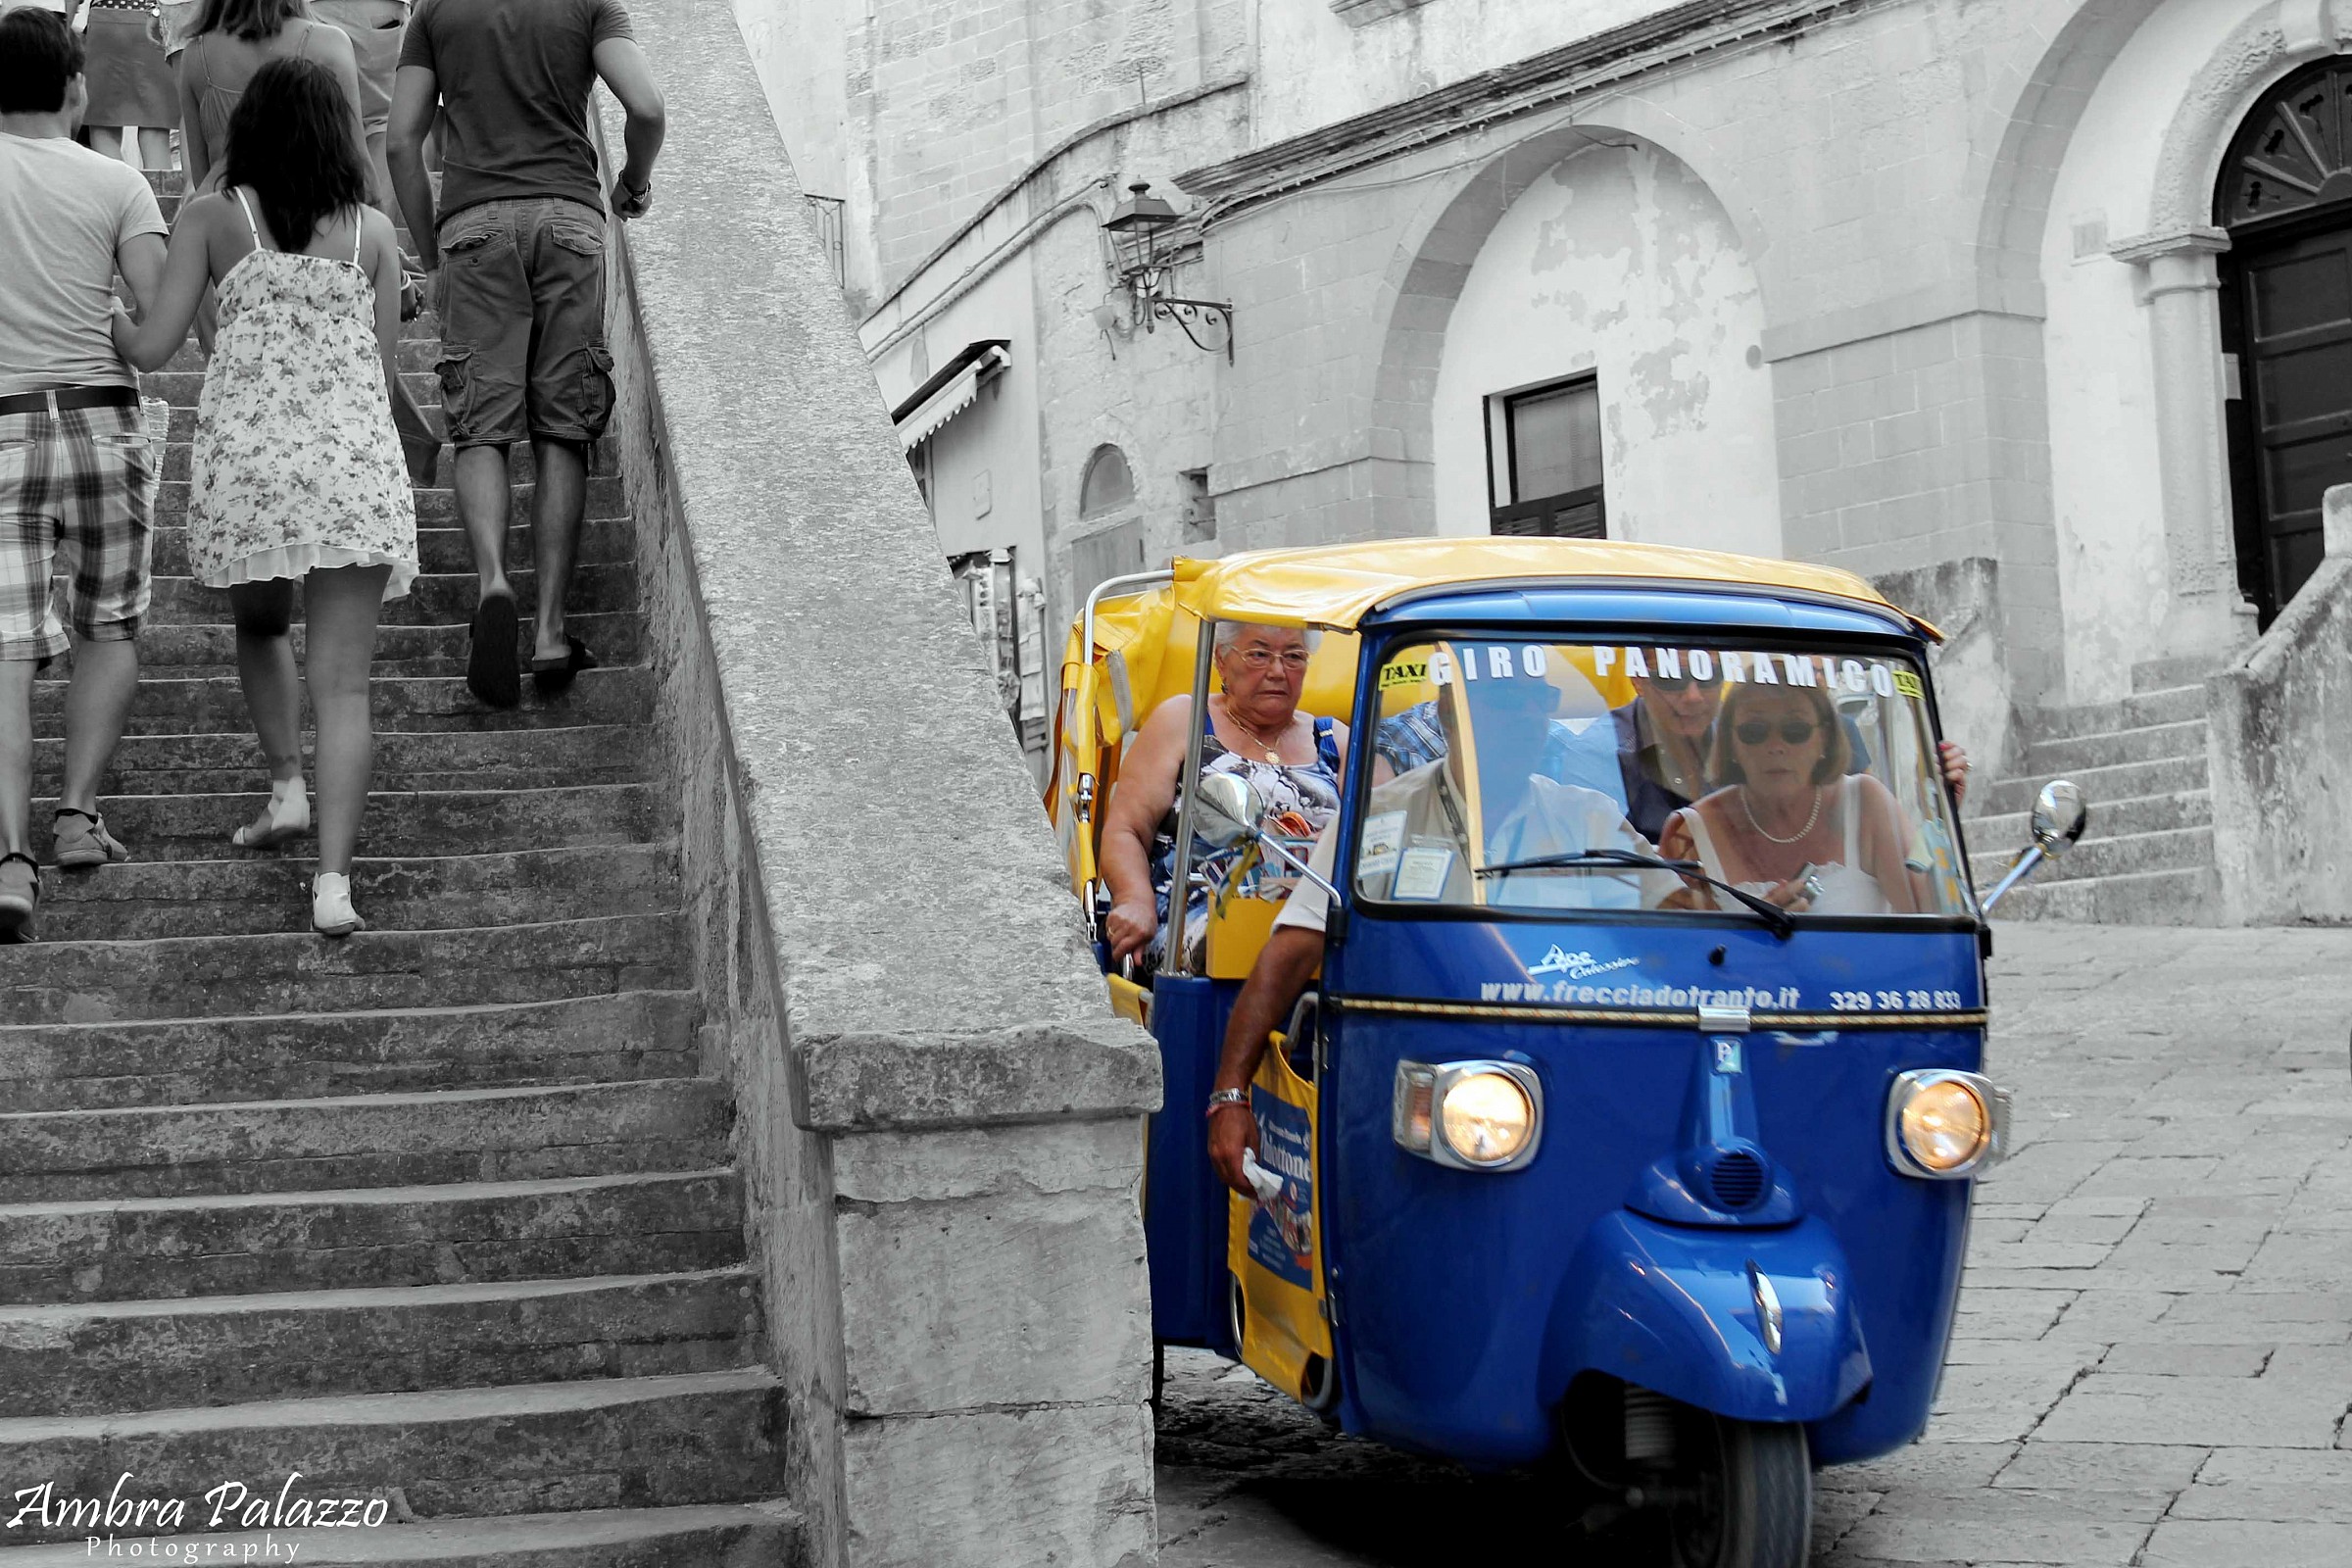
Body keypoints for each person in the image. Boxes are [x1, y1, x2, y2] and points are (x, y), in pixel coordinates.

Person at [114, 54, 418, 937]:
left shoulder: (214, 213)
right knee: (347, 689)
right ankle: (332, 887)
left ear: (248, 129)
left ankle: (287, 786)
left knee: (258, 623)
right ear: (337, 138)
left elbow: (157, 344)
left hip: (254, 471)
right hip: (353, 467)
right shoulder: (374, 235)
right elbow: (385, 366)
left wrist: (107, 319)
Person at [1202, 647, 1661, 1195]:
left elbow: (1684, 916)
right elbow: (1293, 948)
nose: (1517, 722)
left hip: (1571, 1080)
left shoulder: (1588, 817)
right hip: (1417, 1085)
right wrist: (1229, 1095)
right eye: (1496, 705)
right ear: (1448, 714)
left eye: (1531, 705)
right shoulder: (1379, 818)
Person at [387, 0, 665, 707]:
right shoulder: (590, 3)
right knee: (562, 428)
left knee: (480, 427)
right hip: (568, 219)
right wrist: (631, 182)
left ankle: (493, 584)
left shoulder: (436, 11)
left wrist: (431, 253)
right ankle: (548, 630)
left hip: (474, 224)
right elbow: (648, 106)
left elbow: (399, 143)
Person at [0, 4, 168, 940]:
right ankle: (76, 816)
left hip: (4, 427)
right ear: (75, 86)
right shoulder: (117, 184)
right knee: (109, 626)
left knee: (6, 650)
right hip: (103, 424)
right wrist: (99, 321)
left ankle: (8, 857)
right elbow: (151, 320)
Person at [1100, 622, 1350, 974]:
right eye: (1259, 654)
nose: (1278, 671)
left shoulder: (1333, 738)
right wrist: (1133, 899)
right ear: (1220, 660)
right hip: (1200, 915)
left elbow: (1382, 828)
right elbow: (1126, 829)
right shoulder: (1184, 720)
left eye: (1293, 656)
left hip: (1318, 915)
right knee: (1246, 946)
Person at [1656, 681, 1928, 917]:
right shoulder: (1688, 833)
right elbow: (1669, 958)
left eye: (1796, 730)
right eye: (1755, 731)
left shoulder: (1867, 801)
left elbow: (1933, 917)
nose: (1775, 746)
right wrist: (1750, 935)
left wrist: (1937, 807)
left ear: (1824, 738)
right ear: (1731, 742)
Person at [75, 0, 175, 169]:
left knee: (104, 127)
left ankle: (114, 191)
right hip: (155, 18)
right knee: (155, 131)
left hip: (106, 20)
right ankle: (158, 193)